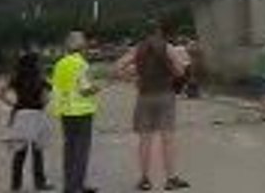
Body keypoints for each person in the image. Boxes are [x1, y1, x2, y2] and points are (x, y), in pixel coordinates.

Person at [114, 20, 190, 191]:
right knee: (167, 138)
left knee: (145, 140)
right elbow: (180, 71)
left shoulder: (138, 49)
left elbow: (118, 67)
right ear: (158, 32)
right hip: (165, 95)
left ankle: (145, 179)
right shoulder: (167, 47)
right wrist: (171, 70)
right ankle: (170, 179)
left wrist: (133, 78)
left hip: (144, 96)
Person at [0, 49, 54, 191]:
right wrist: (41, 105)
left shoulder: (16, 77)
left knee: (19, 153)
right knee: (37, 152)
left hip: (20, 115)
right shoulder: (40, 78)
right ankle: (39, 182)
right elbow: (46, 98)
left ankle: (16, 184)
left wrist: (13, 104)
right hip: (36, 114)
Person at [51, 31, 99, 193]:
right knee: (81, 151)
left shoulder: (59, 64)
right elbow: (85, 90)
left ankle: (69, 184)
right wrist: (97, 87)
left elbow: (56, 89)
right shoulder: (81, 64)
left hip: (65, 111)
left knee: (69, 149)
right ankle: (77, 186)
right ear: (81, 45)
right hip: (82, 111)